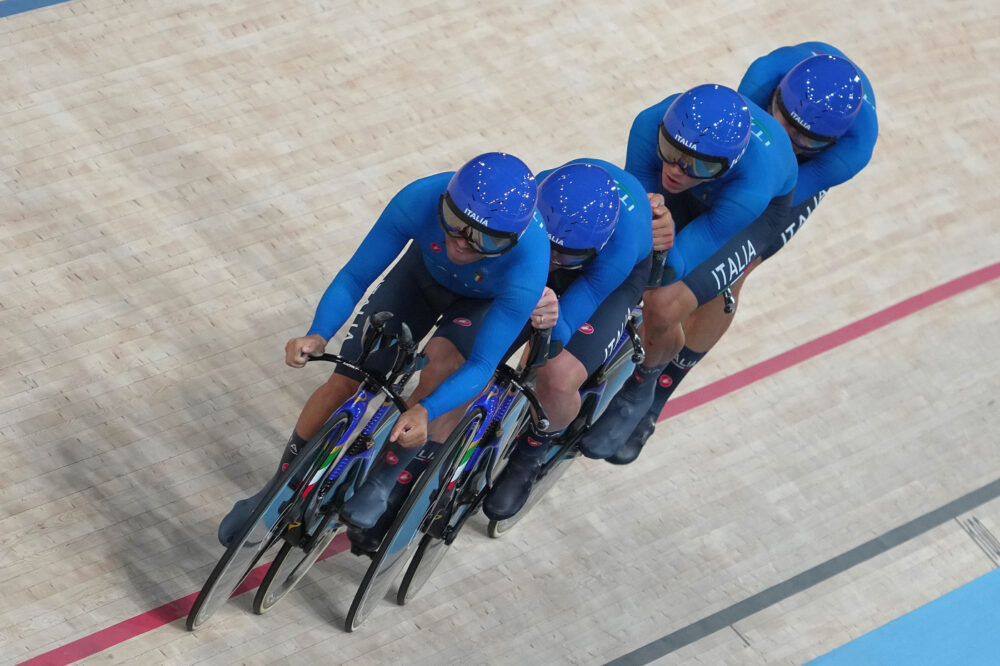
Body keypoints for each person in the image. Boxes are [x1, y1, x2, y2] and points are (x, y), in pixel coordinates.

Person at [217, 152, 552, 550]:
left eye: (486, 239)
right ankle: (277, 489)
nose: (463, 243)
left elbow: (483, 362)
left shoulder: (531, 259)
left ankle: (382, 481)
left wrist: (425, 411)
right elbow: (356, 275)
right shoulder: (418, 198)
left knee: (441, 371)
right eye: (457, 225)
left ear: (511, 241)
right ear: (444, 204)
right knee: (348, 377)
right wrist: (318, 334)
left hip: (479, 305)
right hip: (419, 278)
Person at [606, 44, 878, 465]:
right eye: (783, 119)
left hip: (779, 190)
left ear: (829, 142)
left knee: (723, 275)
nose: (788, 136)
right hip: (733, 161)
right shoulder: (764, 76)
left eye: (804, 137)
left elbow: (760, 202)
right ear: (775, 99)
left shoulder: (853, 149)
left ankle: (660, 390)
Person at [578, 83, 798, 461]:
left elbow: (674, 265)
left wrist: (660, 249)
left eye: (696, 164)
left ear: (725, 165)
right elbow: (637, 227)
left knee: (664, 303)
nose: (676, 170)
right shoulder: (649, 126)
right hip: (700, 191)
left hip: (752, 217)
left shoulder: (751, 186)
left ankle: (645, 385)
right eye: (670, 151)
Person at [481, 159, 653, 520]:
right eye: (550, 247)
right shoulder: (533, 202)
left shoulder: (620, 246)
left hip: (606, 283)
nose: (556, 261)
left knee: (557, 377)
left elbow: (563, 324)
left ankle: (530, 455)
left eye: (566, 254)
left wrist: (541, 333)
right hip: (557, 248)